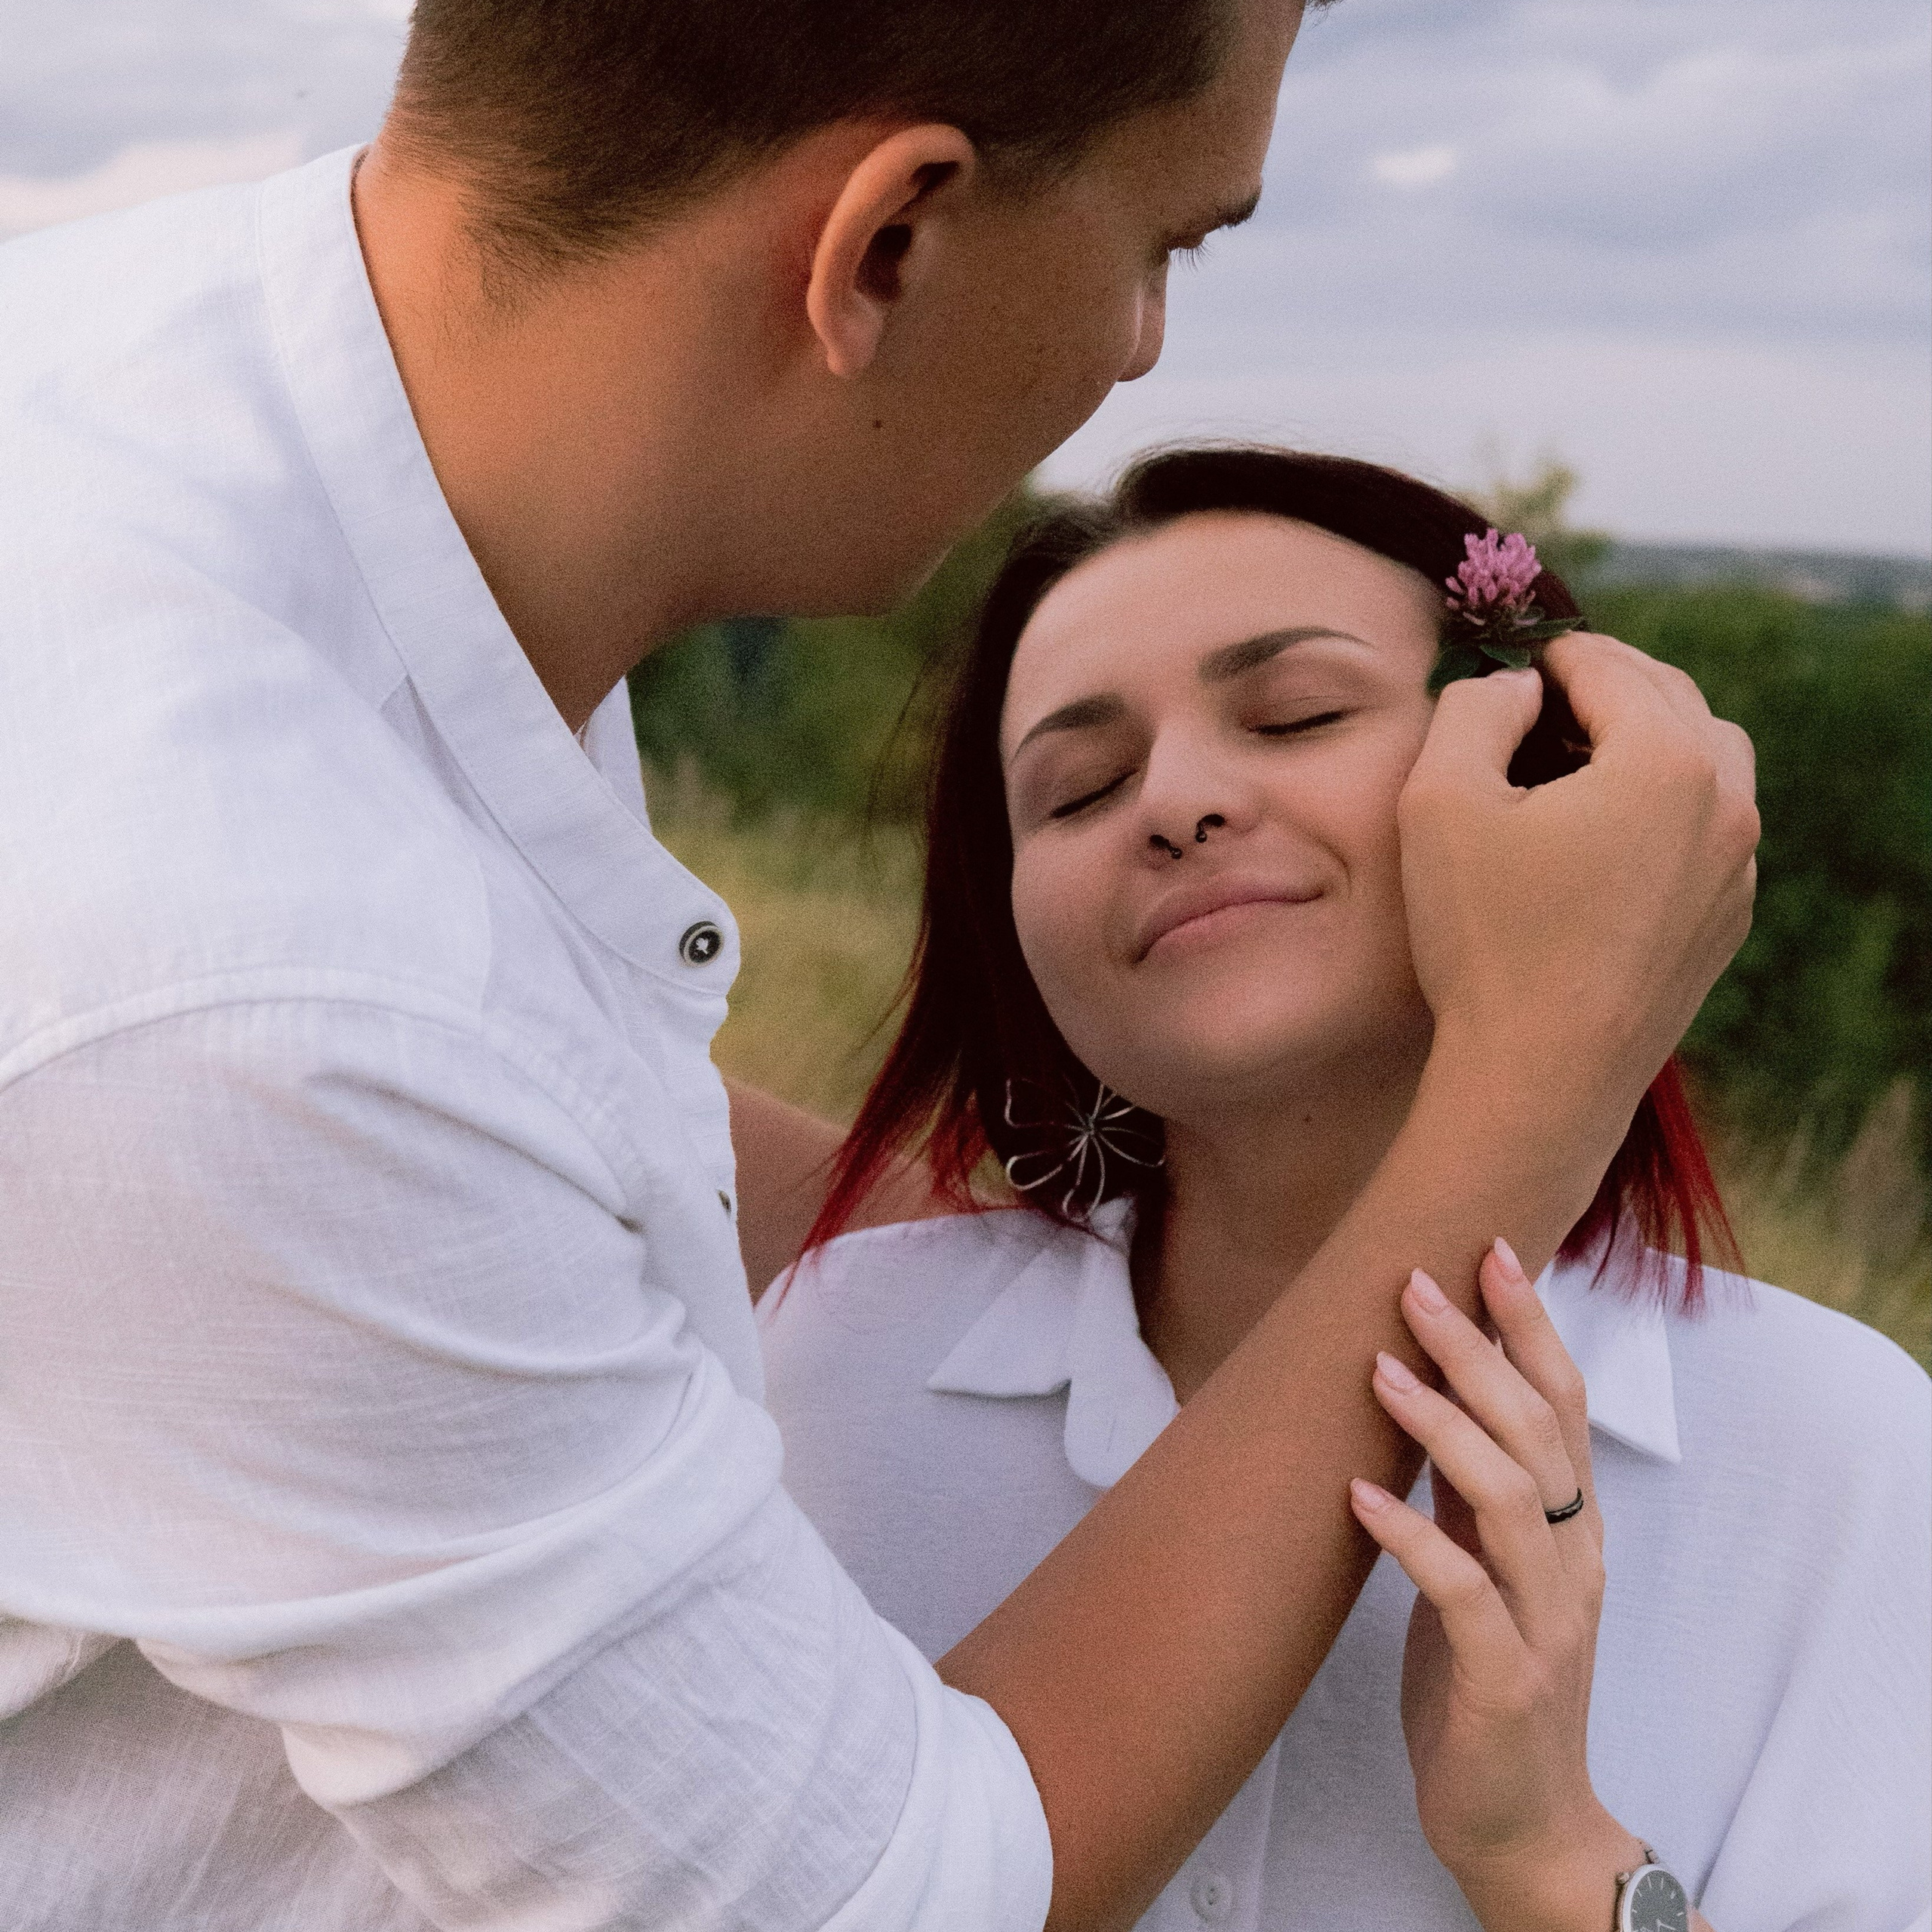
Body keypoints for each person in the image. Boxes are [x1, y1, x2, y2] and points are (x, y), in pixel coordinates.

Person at [0, 5, 1760, 1928]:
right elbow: (902, 1897)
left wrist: (1084, 1255)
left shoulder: (165, 427)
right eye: (1166, 243)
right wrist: (1545, 1064)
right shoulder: (259, 965)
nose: (1141, 349)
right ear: (886, 242)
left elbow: (437, 1120)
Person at [761, 448, 1932, 1932]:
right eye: (1074, 788)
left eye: (1295, 713)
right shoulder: (835, 1362)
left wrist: (1550, 1852)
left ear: (1547, 768)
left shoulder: (1835, 1452)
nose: (1173, 802)